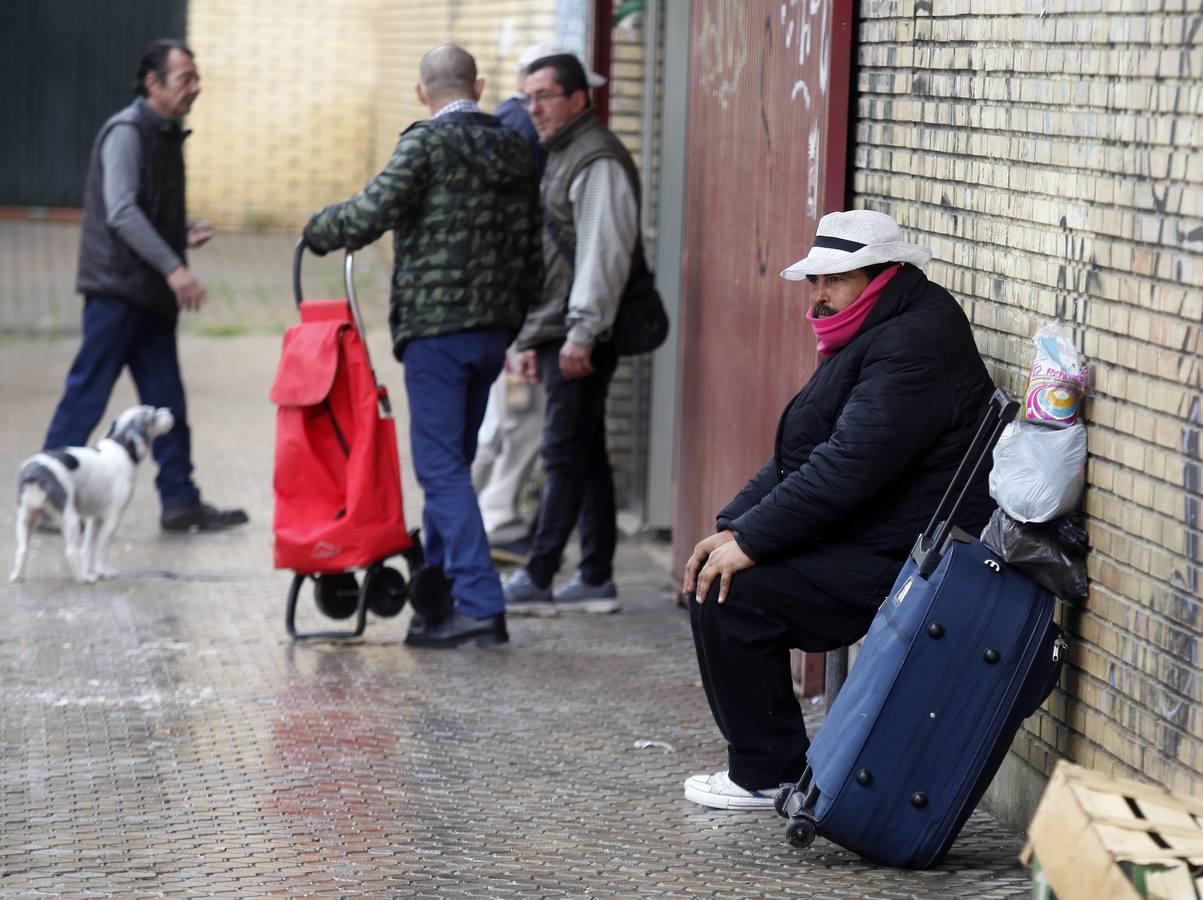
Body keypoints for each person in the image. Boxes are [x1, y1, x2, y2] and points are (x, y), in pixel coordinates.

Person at [681, 210, 997, 810]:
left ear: (882, 275)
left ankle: (767, 772)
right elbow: (806, 454)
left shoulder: (913, 344)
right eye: (813, 282)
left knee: (732, 596)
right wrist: (734, 526)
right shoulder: (876, 327)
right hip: (876, 531)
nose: (819, 297)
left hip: (905, 557)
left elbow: (848, 468)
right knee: (719, 571)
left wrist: (750, 542)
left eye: (835, 280)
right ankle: (771, 764)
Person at [302, 43, 542, 649]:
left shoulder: (424, 142)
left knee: (439, 468)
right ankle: (439, 593)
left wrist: (319, 229)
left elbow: (373, 209)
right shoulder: (515, 147)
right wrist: (515, 316)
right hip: (494, 331)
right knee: (453, 466)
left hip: (438, 333)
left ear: (420, 92)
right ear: (479, 85)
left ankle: (480, 604)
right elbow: (534, 245)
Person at [43, 39, 247, 533]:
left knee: (169, 407)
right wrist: (174, 266)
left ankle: (180, 502)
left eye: (196, 78)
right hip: (117, 291)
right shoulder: (127, 132)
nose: (195, 88)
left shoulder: (165, 132)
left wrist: (179, 234)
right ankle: (48, 497)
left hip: (148, 294)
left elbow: (145, 212)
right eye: (185, 80)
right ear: (152, 83)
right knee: (86, 396)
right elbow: (122, 211)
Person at [500, 53, 641, 617]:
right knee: (583, 451)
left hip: (580, 337)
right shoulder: (564, 152)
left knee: (562, 453)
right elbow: (554, 263)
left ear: (579, 99)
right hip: (561, 333)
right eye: (527, 97)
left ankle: (538, 575)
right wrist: (530, 338)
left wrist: (580, 335)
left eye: (545, 96)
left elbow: (601, 257)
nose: (532, 108)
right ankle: (596, 576)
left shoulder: (595, 158)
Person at [473, 44, 606, 566]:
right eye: (539, 96)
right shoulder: (529, 135)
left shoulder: (507, 125)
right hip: (529, 313)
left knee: (502, 422)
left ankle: (475, 515)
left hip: (517, 311)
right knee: (520, 422)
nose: (540, 108)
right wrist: (527, 329)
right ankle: (497, 520)